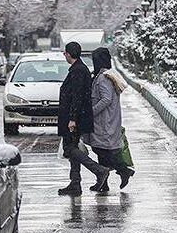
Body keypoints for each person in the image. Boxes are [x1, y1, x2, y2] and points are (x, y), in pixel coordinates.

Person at [57, 41, 109, 196]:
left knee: (70, 149)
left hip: (75, 118)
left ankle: (99, 170)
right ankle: (75, 183)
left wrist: (72, 119)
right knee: (73, 148)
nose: (64, 55)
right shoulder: (78, 68)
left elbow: (77, 97)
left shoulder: (79, 70)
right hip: (75, 116)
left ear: (69, 53)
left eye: (65, 53)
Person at [84, 47, 135, 192]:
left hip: (103, 121)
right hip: (106, 120)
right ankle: (104, 183)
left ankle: (123, 170)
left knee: (102, 150)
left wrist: (91, 112)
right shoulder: (108, 75)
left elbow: (106, 99)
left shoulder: (103, 78)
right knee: (101, 149)